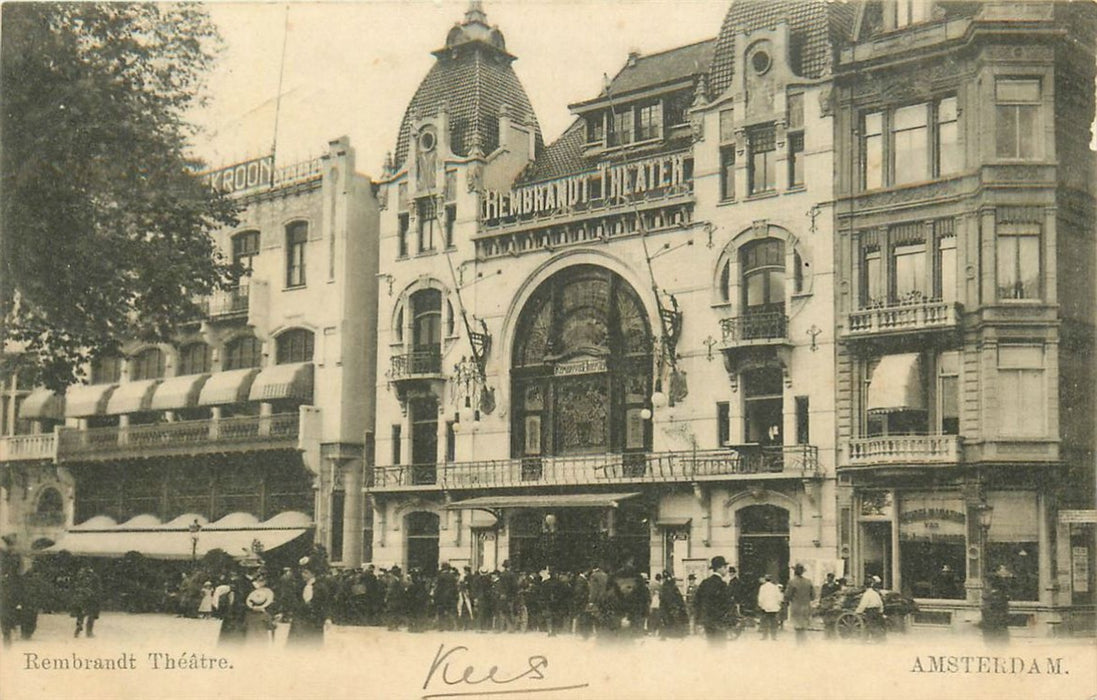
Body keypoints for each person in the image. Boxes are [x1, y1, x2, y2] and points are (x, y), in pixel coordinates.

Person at [288, 562, 331, 646]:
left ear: (313, 574)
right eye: (302, 572)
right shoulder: (299, 586)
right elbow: (295, 601)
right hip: (301, 619)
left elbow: (326, 604)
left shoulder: (321, 587)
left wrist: (327, 618)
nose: (303, 575)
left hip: (315, 620)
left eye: (306, 573)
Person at [692, 556, 731, 644]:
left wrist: (699, 619)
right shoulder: (722, 584)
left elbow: (696, 602)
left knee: (711, 645)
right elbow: (727, 604)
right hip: (719, 622)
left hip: (707, 621)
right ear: (719, 568)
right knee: (720, 646)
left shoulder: (705, 583)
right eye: (725, 567)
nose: (726, 570)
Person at [981, 566, 1011, 646]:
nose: (985, 585)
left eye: (987, 582)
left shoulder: (994, 596)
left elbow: (988, 610)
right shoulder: (996, 595)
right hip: (994, 627)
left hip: (994, 627)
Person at [784, 564, 814, 644]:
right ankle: (803, 643)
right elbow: (813, 596)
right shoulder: (808, 582)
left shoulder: (792, 582)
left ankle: (799, 644)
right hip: (806, 606)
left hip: (796, 606)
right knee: (804, 626)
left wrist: (787, 601)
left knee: (797, 627)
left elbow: (787, 595)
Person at [243, 571, 276, 644]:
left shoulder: (248, 615)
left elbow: (244, 626)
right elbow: (271, 627)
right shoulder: (265, 615)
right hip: (262, 639)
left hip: (250, 640)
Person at [70, 566, 102, 638]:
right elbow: (98, 588)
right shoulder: (94, 577)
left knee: (80, 614)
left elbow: (74, 587)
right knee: (91, 615)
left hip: (80, 597)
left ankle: (78, 628)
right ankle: (89, 632)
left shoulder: (79, 576)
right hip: (91, 598)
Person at [855, 576, 886, 642]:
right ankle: (879, 639)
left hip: (870, 611)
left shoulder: (866, 594)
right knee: (876, 625)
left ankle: (865, 639)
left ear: (865, 587)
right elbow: (880, 603)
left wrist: (857, 612)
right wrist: (881, 611)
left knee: (869, 625)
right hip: (877, 611)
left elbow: (863, 604)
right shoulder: (875, 593)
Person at [756, 575, 783, 640]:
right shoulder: (775, 587)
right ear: (771, 580)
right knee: (773, 622)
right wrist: (778, 604)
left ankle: (765, 636)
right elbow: (779, 598)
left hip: (765, 607)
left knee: (765, 622)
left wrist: (761, 605)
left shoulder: (762, 587)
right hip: (774, 607)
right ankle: (774, 636)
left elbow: (760, 598)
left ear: (765, 580)